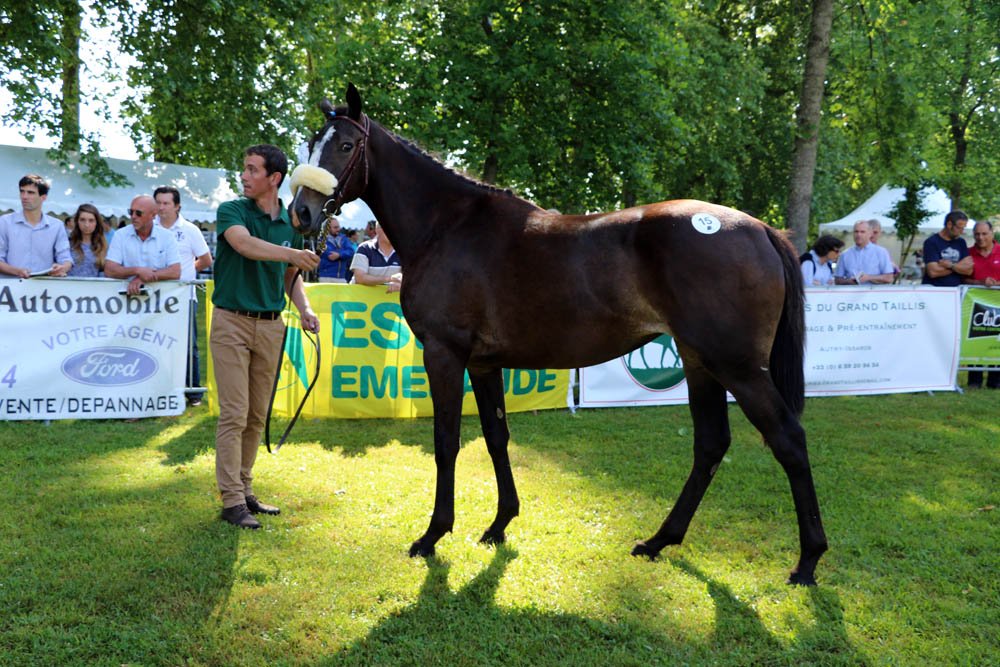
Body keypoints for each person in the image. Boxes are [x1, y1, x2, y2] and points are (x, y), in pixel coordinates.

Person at [211, 144, 320, 530]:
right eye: (244, 168)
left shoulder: (291, 222)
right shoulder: (232, 210)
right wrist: (290, 254)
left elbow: (291, 277)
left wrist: (304, 307)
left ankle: (244, 490)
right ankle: (231, 501)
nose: (244, 175)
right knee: (235, 413)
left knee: (257, 415)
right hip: (231, 322)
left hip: (272, 324)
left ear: (274, 178)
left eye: (252, 169)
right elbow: (244, 245)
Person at [154, 186, 214, 406]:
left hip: (183, 295)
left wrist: (187, 271)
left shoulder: (190, 230)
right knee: (156, 343)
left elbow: (206, 260)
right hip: (154, 296)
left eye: (166, 203)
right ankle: (159, 388)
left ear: (177, 206)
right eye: (158, 203)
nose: (161, 207)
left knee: (188, 345)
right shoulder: (150, 228)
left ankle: (193, 392)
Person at [104, 195, 181, 294]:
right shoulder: (120, 235)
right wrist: (137, 271)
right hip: (125, 297)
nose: (133, 216)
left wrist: (143, 278)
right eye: (131, 212)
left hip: (160, 298)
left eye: (138, 213)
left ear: (153, 215)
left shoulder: (167, 237)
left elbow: (175, 272)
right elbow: (109, 270)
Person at [0, 174, 73, 278]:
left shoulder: (57, 226)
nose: (24, 196)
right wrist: (17, 271)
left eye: (30, 192)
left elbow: (66, 258)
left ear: (43, 197)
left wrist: (62, 268)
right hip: (10, 286)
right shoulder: (4, 222)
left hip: (44, 286)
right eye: (22, 191)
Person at [964, 220, 1000, 389]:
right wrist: (979, 282)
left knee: (997, 341)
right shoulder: (968, 254)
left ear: (992, 233)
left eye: (984, 234)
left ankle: (995, 381)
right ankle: (974, 380)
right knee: (975, 339)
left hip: (998, 305)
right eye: (977, 234)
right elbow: (962, 279)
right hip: (975, 306)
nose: (980, 237)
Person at [834, 220, 895, 285]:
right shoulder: (845, 255)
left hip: (874, 291)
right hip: (851, 291)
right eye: (856, 231)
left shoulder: (881, 252)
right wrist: (851, 281)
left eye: (862, 232)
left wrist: (869, 278)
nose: (858, 234)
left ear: (870, 234)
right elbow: (837, 280)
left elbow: (889, 278)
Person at [922, 210, 973, 287]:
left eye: (963, 228)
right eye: (959, 228)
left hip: (956, 290)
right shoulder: (931, 242)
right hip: (935, 290)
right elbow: (933, 272)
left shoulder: (961, 242)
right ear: (949, 224)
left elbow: (968, 270)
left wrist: (950, 265)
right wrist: (959, 266)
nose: (962, 232)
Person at [350, 221, 402, 293]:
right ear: (377, 230)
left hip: (387, 299)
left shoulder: (403, 251)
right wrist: (389, 279)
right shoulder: (365, 248)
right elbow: (360, 278)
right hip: (359, 297)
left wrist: (401, 283)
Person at [67, 203, 109, 277]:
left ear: (96, 223)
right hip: (69, 283)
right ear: (77, 221)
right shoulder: (67, 244)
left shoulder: (103, 246)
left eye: (91, 220)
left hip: (94, 284)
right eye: (82, 220)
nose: (86, 225)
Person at [317, 215, 355, 283]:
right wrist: (343, 252)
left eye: (338, 227)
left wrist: (339, 255)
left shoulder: (344, 238)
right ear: (328, 228)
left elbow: (351, 251)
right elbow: (330, 255)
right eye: (335, 227)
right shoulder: (322, 240)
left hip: (341, 277)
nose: (338, 229)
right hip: (325, 276)